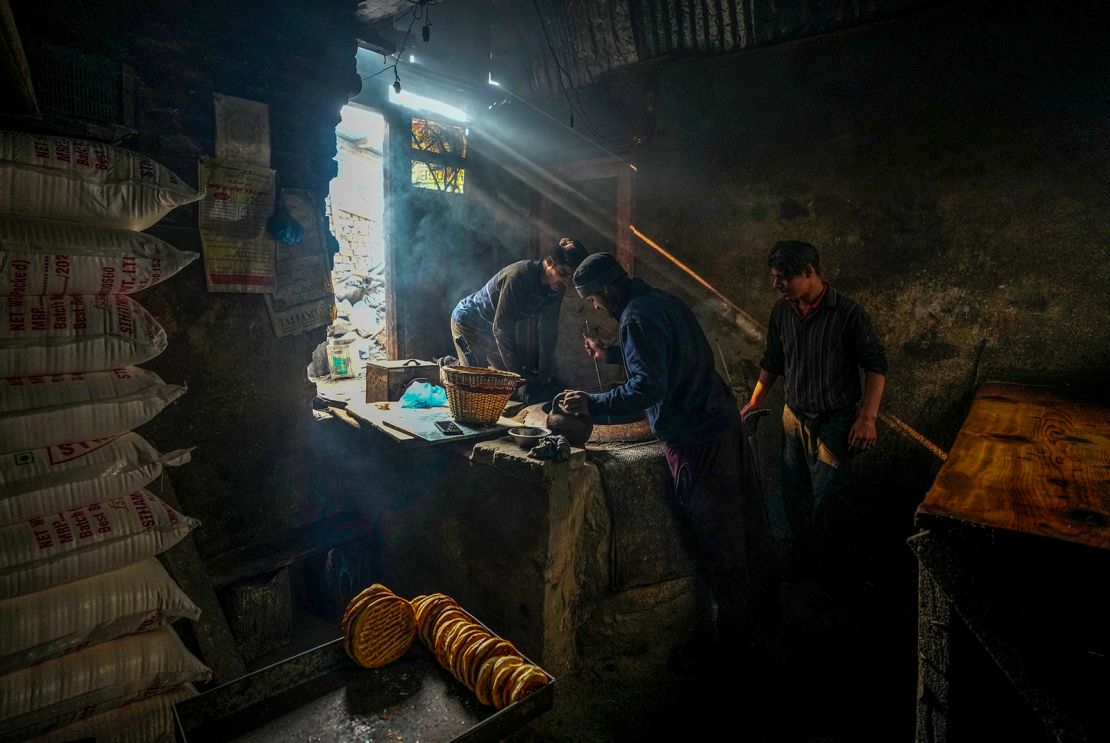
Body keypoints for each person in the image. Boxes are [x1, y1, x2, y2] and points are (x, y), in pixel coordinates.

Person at [560, 253, 774, 663]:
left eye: (592, 300)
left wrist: (592, 403)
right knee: (742, 528)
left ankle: (735, 651)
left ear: (605, 289)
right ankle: (760, 625)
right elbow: (667, 356)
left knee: (716, 540)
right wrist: (609, 354)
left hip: (696, 438)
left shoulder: (635, 319)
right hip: (721, 422)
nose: (595, 308)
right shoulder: (663, 302)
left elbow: (647, 389)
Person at [740, 240, 887, 585]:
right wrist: (756, 399)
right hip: (794, 418)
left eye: (782, 278)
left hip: (835, 422)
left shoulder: (848, 313)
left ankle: (833, 577)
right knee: (793, 495)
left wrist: (867, 418)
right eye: (773, 277)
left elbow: (876, 366)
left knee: (828, 503)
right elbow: (774, 359)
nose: (775, 285)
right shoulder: (782, 312)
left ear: (809, 273)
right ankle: (804, 568)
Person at [449, 239, 587, 400]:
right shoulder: (518, 277)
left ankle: (457, 363)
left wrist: (545, 375)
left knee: (503, 384)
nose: (566, 281)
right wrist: (519, 379)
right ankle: (447, 366)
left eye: (570, 278)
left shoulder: (557, 288)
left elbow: (548, 330)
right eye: (563, 274)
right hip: (469, 322)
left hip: (492, 330)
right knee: (475, 384)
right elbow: (501, 330)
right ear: (549, 262)